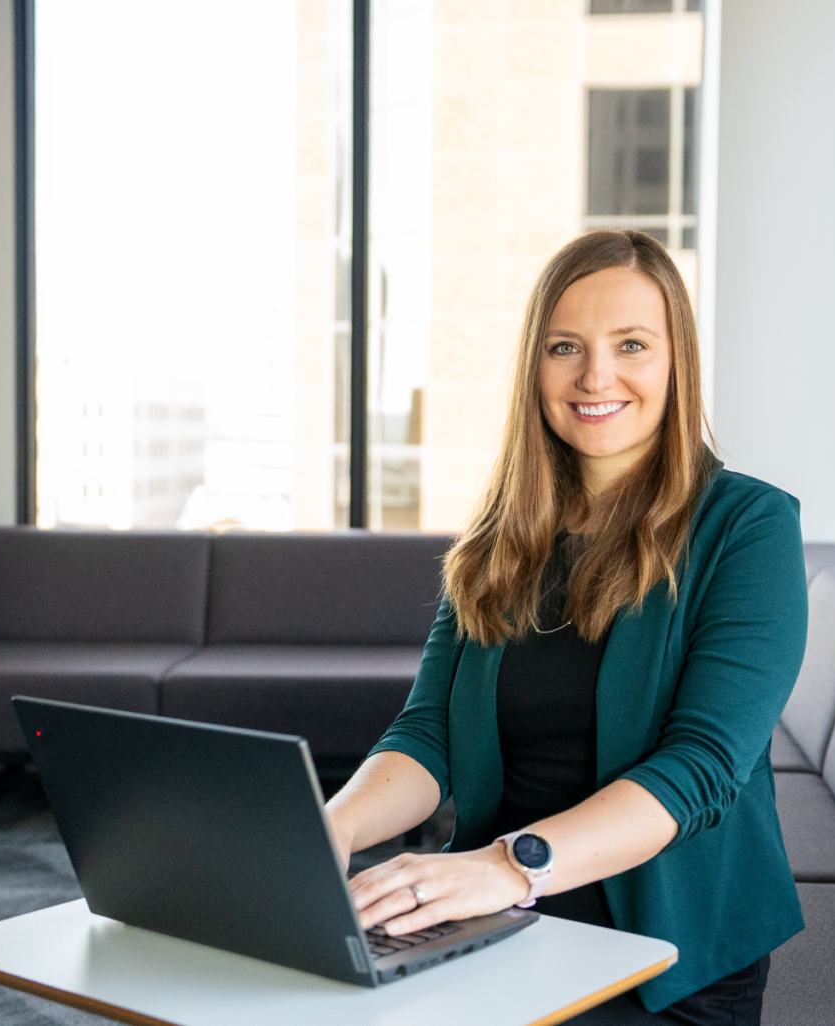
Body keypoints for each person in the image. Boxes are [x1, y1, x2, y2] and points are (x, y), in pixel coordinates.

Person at [324, 230, 807, 1025]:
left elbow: (702, 768)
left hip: (662, 952)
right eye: (565, 346)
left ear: (675, 363)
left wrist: (514, 865)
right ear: (535, 367)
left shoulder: (747, 526)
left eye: (631, 345)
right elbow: (429, 734)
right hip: (494, 913)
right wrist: (330, 828)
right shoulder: (498, 539)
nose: (595, 376)